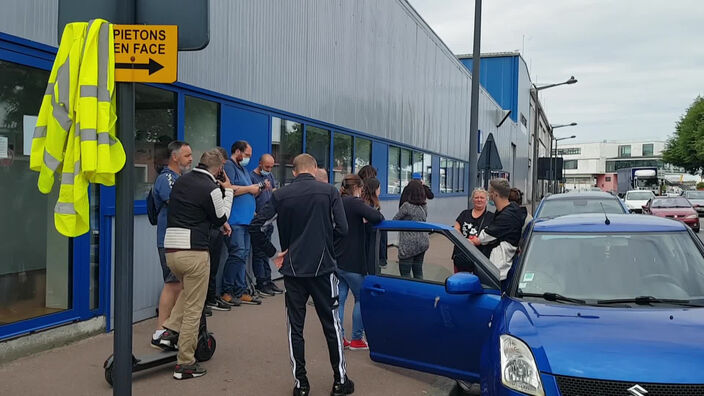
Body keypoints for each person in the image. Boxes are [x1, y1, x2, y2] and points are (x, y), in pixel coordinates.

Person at [249, 154, 354, 396]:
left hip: (293, 270)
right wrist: (327, 246)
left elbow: (255, 226)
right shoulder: (328, 192)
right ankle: (340, 381)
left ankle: (301, 385)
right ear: (315, 169)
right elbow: (343, 229)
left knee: (295, 327)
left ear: (294, 172)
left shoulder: (280, 194)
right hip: (323, 269)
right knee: (332, 324)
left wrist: (274, 252)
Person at [158, 149, 234, 380]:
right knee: (194, 308)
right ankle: (185, 364)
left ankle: (168, 330)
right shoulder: (210, 188)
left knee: (187, 293)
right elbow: (220, 218)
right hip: (194, 251)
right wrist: (228, 192)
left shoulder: (182, 180)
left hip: (171, 249)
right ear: (219, 168)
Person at [151, 141, 193, 348]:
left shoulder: (180, 178)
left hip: (181, 238)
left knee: (180, 285)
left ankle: (172, 330)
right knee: (172, 283)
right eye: (187, 155)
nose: (190, 159)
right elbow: (177, 204)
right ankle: (161, 330)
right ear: (174, 157)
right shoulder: (166, 178)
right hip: (169, 239)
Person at [335, 174, 383, 351]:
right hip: (353, 259)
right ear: (358, 188)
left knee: (339, 300)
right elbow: (377, 217)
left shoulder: (338, 201)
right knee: (361, 298)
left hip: (337, 258)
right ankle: (357, 339)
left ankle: (339, 337)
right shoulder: (355, 203)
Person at [222, 141, 264, 306]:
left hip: (246, 220)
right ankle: (227, 290)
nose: (248, 158)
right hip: (235, 220)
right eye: (246, 155)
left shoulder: (243, 169)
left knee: (242, 255)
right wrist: (250, 189)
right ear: (237, 151)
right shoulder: (229, 166)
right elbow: (228, 188)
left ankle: (240, 290)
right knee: (237, 254)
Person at [470, 178, 526, 280]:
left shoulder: (506, 217)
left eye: (490, 192)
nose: (488, 195)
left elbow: (483, 237)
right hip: (500, 268)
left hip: (498, 271)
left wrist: (472, 240)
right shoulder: (511, 210)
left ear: (495, 194)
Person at [205, 147, 234, 313]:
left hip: (217, 226)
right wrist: (228, 188)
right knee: (206, 267)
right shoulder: (207, 183)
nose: (222, 169)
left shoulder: (218, 181)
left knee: (214, 265)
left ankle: (212, 297)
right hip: (209, 228)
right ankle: (207, 300)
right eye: (221, 165)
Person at [249, 153, 283, 296]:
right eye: (266, 167)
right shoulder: (252, 177)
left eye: (271, 167)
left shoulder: (269, 176)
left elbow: (274, 191)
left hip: (269, 220)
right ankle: (261, 281)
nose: (269, 169)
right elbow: (250, 196)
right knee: (259, 253)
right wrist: (261, 188)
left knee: (267, 252)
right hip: (258, 220)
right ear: (260, 164)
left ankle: (268, 280)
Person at [393, 180, 429, 279]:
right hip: (423, 242)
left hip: (408, 244)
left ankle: (408, 292)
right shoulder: (424, 206)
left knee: (405, 274)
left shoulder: (406, 206)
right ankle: (419, 291)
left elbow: (394, 221)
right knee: (418, 271)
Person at [453, 188, 494, 272]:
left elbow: (492, 235)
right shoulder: (464, 213)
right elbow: (456, 228)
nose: (479, 200)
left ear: (486, 200)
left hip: (480, 258)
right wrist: (465, 241)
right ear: (472, 200)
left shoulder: (491, 217)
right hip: (461, 255)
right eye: (476, 197)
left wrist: (476, 241)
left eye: (482, 198)